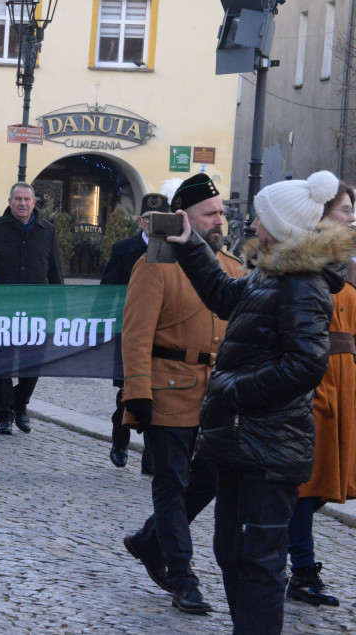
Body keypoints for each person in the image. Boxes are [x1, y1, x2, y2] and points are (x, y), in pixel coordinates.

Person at [167, 170, 355, 634]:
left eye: (259, 219)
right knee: (231, 551)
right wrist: (191, 243)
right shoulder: (271, 273)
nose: (251, 226)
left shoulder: (302, 284)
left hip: (269, 449)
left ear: (281, 226)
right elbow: (223, 295)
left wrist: (232, 391)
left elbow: (306, 365)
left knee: (259, 563)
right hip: (243, 442)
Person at [120, 174, 243, 616]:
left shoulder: (231, 268)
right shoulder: (156, 264)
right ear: (183, 217)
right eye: (210, 213)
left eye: (221, 213)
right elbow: (135, 332)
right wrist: (137, 391)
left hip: (215, 396)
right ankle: (182, 575)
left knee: (208, 480)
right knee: (172, 483)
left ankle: (150, 541)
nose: (219, 221)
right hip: (166, 386)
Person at [285, 181, 356, 608]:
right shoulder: (306, 263)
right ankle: (300, 566)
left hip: (345, 380)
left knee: (326, 484)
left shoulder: (346, 260)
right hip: (316, 378)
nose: (351, 215)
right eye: (345, 208)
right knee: (306, 486)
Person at [0, 182, 62, 435]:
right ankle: (3, 416)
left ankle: (20, 404)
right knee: (1, 364)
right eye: (18, 199)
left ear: (34, 202)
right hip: (2, 310)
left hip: (37, 312)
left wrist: (62, 312)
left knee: (33, 364)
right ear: (10, 202)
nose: (23, 203)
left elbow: (56, 274)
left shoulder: (48, 231)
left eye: (27, 199)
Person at [100, 192, 168, 471]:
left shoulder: (176, 250)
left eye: (159, 219)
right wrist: (101, 324)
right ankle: (120, 441)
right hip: (128, 332)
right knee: (127, 393)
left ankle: (150, 459)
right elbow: (105, 293)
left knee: (160, 396)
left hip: (164, 333)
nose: (153, 224)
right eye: (149, 219)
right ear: (140, 221)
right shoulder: (122, 249)